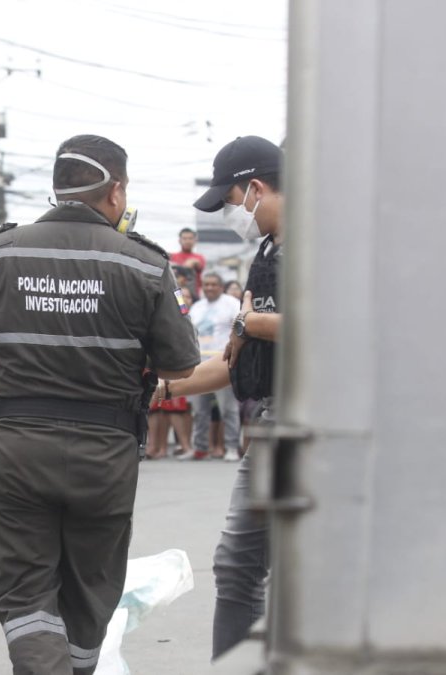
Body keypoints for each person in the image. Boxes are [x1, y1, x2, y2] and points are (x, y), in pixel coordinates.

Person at [0, 134, 199, 674]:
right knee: (89, 592)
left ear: (58, 188)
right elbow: (180, 366)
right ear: (117, 191)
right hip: (104, 457)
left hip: (15, 450)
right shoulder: (146, 264)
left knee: (24, 592)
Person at [160, 135, 284, 660]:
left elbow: (334, 325)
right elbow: (235, 361)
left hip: (324, 426)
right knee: (238, 567)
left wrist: (250, 321)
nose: (234, 215)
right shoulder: (268, 252)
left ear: (255, 188)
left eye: (231, 201)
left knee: (260, 569)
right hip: (277, 421)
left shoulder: (325, 245)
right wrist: (161, 387)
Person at [189, 272, 242, 461]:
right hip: (198, 364)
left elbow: (240, 329)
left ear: (221, 286)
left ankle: (231, 447)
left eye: (214, 284)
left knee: (228, 409)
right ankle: (200, 448)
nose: (209, 287)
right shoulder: (197, 307)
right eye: (206, 284)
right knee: (199, 410)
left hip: (223, 362)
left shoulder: (232, 304)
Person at [169, 227, 206, 301]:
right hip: (176, 296)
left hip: (193, 297)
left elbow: (192, 264)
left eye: (190, 238)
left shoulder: (199, 257)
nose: (187, 241)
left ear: (195, 240)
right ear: (180, 240)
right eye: (185, 238)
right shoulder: (172, 256)